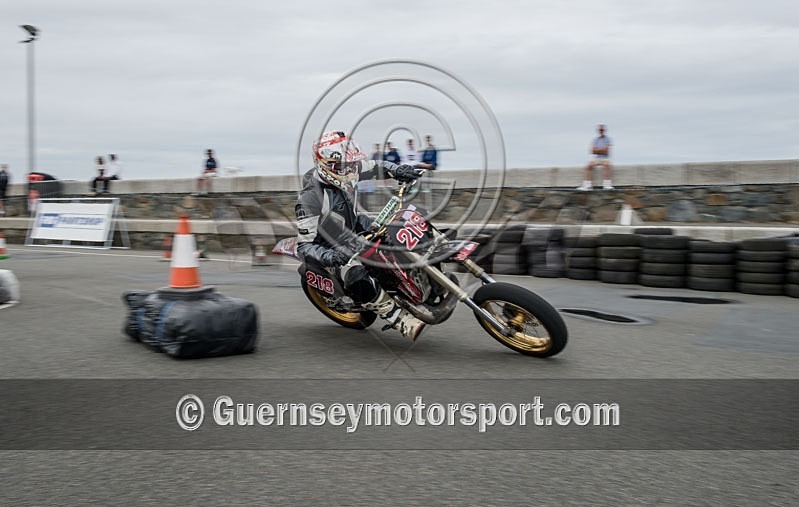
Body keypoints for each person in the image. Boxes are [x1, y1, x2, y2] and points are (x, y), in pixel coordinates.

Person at [295, 130, 426, 340]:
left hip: (354, 224)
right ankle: (398, 317)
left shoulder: (347, 169)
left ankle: (415, 280)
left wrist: (398, 170)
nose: (351, 170)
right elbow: (304, 247)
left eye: (351, 164)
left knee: (396, 229)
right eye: (345, 166)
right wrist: (334, 257)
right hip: (330, 245)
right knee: (354, 273)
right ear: (327, 165)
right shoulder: (310, 199)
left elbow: (376, 166)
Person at [578, 124, 613, 190]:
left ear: (604, 130)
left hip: (605, 158)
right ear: (598, 131)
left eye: (602, 130)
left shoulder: (608, 139)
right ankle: (587, 185)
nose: (601, 131)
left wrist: (597, 150)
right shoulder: (595, 139)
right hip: (597, 158)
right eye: (600, 130)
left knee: (607, 164)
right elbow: (592, 151)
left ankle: (607, 185)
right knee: (589, 165)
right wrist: (601, 150)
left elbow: (607, 151)